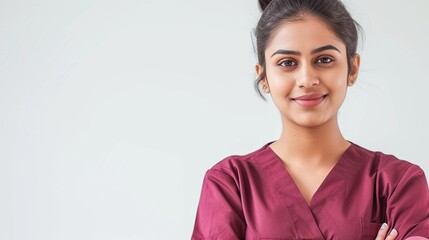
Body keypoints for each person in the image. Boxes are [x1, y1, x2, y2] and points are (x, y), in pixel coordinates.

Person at [191, 0, 429, 239]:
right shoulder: (231, 184)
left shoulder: (398, 183)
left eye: (324, 59)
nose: (307, 79)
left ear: (352, 68)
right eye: (287, 63)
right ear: (263, 76)